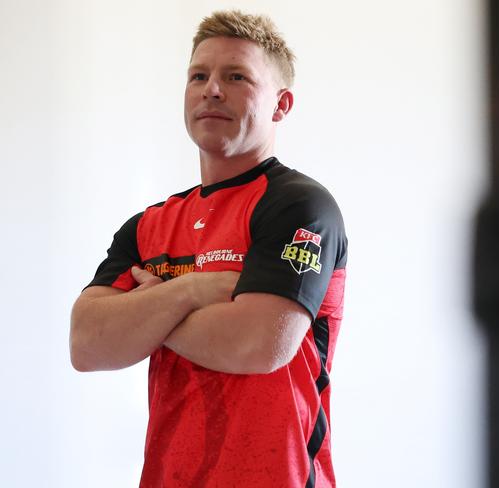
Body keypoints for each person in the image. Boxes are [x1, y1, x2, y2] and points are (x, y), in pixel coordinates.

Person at [70, 10, 347, 488]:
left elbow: (258, 344)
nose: (212, 89)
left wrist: (145, 314)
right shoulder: (147, 226)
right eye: (199, 75)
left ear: (281, 105)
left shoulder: (299, 206)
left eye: (236, 76)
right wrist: (191, 291)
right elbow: (88, 344)